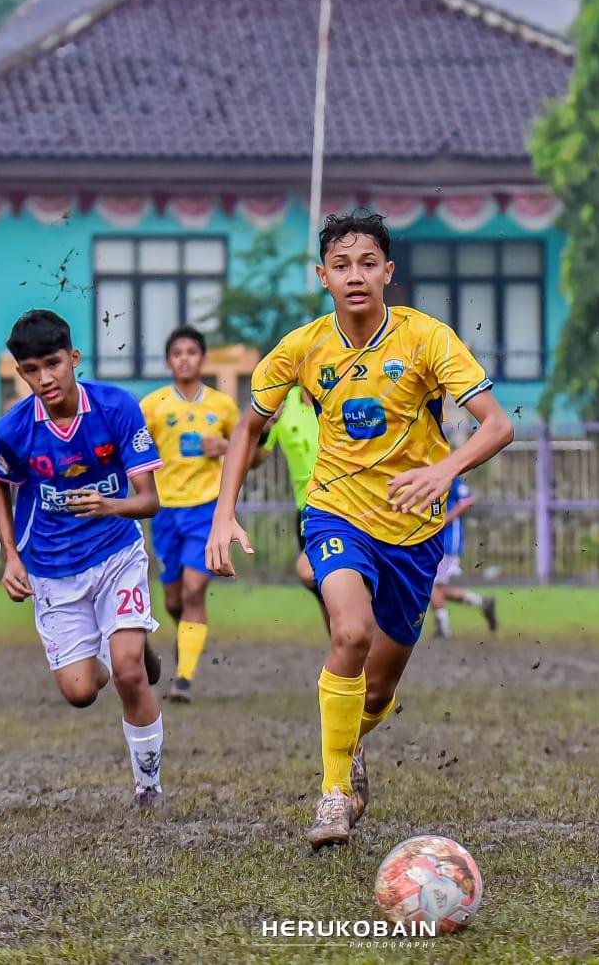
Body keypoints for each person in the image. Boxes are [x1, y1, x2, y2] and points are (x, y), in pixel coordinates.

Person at [206, 211, 514, 849]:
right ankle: (331, 796)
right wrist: (223, 511)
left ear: (388, 272)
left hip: (414, 530)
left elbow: (496, 424)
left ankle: (351, 746)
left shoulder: (427, 338)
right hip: (335, 511)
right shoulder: (301, 347)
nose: (355, 276)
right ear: (322, 276)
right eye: (341, 266)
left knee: (379, 689)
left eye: (368, 264)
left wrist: (445, 470)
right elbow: (248, 427)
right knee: (349, 632)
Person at [0, 310, 169, 808]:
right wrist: (10, 556)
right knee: (80, 691)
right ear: (20, 373)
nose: (44, 378)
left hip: (115, 553)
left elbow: (149, 500)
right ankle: (123, 644)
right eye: (30, 370)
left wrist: (109, 505)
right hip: (50, 567)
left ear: (74, 358)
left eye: (52, 364)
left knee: (130, 674)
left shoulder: (115, 408)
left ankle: (148, 787)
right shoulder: (14, 430)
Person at [139, 325, 239, 704]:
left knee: (195, 590)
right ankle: (187, 639)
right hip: (165, 512)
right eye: (177, 352)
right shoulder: (152, 405)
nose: (184, 358)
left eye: (191, 352)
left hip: (206, 510)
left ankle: (183, 678)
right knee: (175, 601)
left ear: (202, 359)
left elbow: (252, 453)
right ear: (168, 361)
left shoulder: (222, 405)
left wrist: (228, 445)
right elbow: (134, 453)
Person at [260, 385, 328, 628]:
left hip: (348, 505)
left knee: (313, 572)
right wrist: (265, 426)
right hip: (307, 510)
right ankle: (348, 654)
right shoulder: (284, 402)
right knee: (322, 586)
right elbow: (255, 459)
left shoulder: (341, 388)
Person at [428, 476, 497, 638]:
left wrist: (446, 519)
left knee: (432, 585)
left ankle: (444, 629)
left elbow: (467, 500)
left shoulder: (449, 474)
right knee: (436, 587)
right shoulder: (430, 469)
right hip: (437, 541)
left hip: (448, 542)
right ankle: (482, 602)